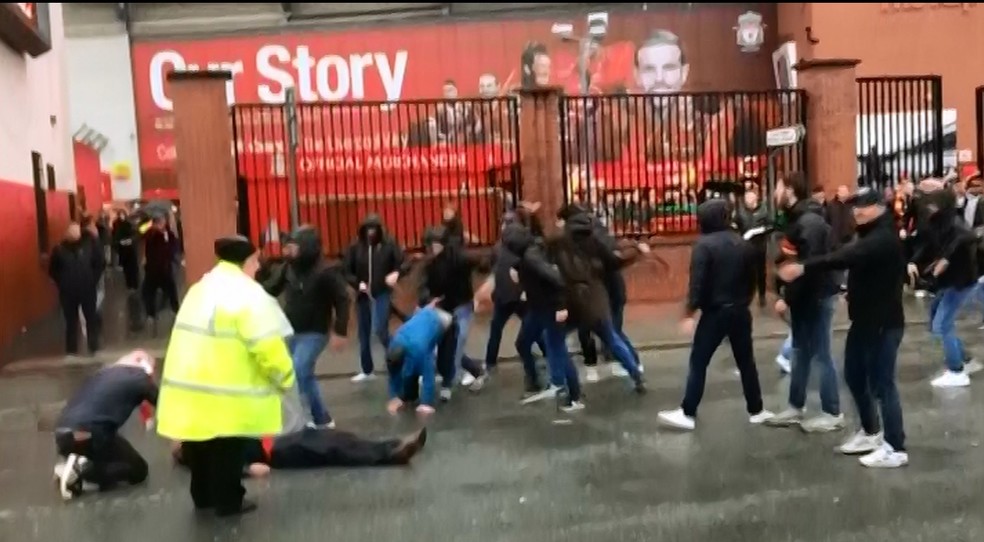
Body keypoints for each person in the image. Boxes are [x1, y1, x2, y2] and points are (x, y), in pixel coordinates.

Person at [156, 235, 296, 517]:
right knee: (228, 447)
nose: (258, 267)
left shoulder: (200, 289)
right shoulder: (247, 295)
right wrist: (284, 376)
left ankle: (203, 496)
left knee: (199, 442)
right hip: (227, 390)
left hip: (193, 385)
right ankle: (229, 500)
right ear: (246, 261)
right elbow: (266, 344)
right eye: (255, 261)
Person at [778, 187, 909, 468]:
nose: (856, 211)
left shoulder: (882, 237)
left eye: (863, 205)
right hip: (863, 320)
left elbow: (846, 256)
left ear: (880, 207)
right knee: (854, 375)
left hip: (883, 322)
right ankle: (871, 432)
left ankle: (895, 447)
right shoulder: (868, 233)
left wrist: (803, 267)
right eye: (853, 206)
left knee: (882, 384)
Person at [657, 199, 774, 431]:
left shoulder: (704, 246)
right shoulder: (742, 244)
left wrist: (689, 312)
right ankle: (757, 410)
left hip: (715, 313)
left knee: (699, 361)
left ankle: (688, 411)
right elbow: (753, 278)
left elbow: (697, 284)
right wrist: (744, 301)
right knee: (746, 362)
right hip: (740, 311)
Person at [767, 174, 843, 432]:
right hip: (805, 297)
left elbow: (808, 267)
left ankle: (832, 412)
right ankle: (795, 406)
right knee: (800, 351)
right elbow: (788, 260)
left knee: (822, 354)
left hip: (817, 296)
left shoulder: (809, 222)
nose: (774, 193)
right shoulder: (796, 219)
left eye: (778, 188)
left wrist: (787, 297)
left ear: (790, 191)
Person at [262, 226, 350, 428]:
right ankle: (321, 418)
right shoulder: (288, 268)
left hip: (315, 332)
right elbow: (270, 289)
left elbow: (342, 299)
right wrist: (259, 273)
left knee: (299, 369)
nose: (289, 252)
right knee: (300, 374)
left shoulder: (326, 272)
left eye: (294, 247)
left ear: (307, 248)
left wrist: (340, 330)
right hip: (290, 330)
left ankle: (303, 419)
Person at [550, 211, 646, 393]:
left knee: (555, 340)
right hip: (595, 298)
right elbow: (614, 261)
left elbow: (546, 261)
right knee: (611, 338)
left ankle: (562, 382)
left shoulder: (559, 243)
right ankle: (635, 374)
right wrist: (636, 251)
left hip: (571, 298)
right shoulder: (595, 242)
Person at [53, 350, 157, 500]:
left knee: (111, 444)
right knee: (138, 470)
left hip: (63, 434)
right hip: (92, 433)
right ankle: (81, 471)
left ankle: (76, 463)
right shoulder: (140, 379)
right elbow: (165, 404)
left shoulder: (101, 374)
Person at [502, 222, 583, 412]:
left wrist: (561, 306)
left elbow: (556, 279)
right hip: (538, 308)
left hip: (551, 308)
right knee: (525, 342)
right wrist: (518, 269)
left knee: (557, 348)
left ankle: (573, 395)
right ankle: (549, 383)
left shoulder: (531, 257)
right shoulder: (531, 251)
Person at [908, 186, 981, 388]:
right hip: (948, 281)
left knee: (942, 325)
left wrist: (946, 258)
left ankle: (956, 370)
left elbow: (967, 237)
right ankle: (965, 359)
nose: (929, 208)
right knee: (936, 321)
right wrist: (913, 261)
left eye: (933, 204)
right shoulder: (936, 222)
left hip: (961, 282)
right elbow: (927, 245)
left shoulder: (956, 224)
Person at [173, 427, 427, 474]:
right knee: (335, 450)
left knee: (337, 438)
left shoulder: (210, 439)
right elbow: (226, 472)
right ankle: (393, 455)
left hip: (280, 440)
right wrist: (250, 470)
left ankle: (393, 444)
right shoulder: (206, 458)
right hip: (279, 454)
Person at [416, 226, 486, 397]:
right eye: (431, 245)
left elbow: (480, 261)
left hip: (462, 304)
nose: (434, 248)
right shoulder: (429, 264)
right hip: (443, 307)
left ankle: (450, 382)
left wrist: (484, 266)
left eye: (437, 244)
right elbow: (423, 285)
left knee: (458, 340)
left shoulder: (458, 258)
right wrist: (426, 300)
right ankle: (475, 370)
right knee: (447, 346)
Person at [343, 214, 405, 383]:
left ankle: (398, 358)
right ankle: (367, 369)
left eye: (374, 229)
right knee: (363, 332)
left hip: (382, 291)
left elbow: (402, 263)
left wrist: (396, 273)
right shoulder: (355, 247)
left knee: (380, 329)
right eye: (368, 229)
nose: (371, 232)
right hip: (363, 294)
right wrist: (357, 283)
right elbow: (346, 270)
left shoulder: (389, 245)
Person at [385, 300, 455, 415]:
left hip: (444, 321)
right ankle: (410, 395)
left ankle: (447, 385)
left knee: (444, 362)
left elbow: (428, 374)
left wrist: (425, 403)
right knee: (409, 372)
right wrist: (394, 397)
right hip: (424, 321)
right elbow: (393, 373)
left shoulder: (419, 348)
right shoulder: (394, 344)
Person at [48, 222, 106, 356]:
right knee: (70, 321)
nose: (73, 234)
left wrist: (93, 279)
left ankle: (94, 347)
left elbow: (99, 263)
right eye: (71, 232)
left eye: (75, 232)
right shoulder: (59, 249)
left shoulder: (89, 245)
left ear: (79, 233)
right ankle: (71, 350)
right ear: (67, 234)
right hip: (68, 292)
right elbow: (53, 270)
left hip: (87, 288)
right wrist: (62, 282)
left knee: (90, 318)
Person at [142, 215, 181, 334]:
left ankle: (176, 310)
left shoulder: (169, 234)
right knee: (148, 292)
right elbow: (141, 233)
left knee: (171, 290)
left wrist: (174, 257)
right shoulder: (151, 234)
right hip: (152, 269)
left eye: (162, 222)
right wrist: (149, 225)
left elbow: (173, 247)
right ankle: (151, 314)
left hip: (165, 268)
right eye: (159, 222)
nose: (161, 224)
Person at [735, 188, 772, 307]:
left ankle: (762, 295)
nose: (747, 200)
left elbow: (770, 225)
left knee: (761, 272)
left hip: (759, 246)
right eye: (746, 197)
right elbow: (735, 224)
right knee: (746, 271)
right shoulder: (741, 210)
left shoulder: (763, 209)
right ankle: (747, 295)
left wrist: (757, 231)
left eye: (750, 197)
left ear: (756, 198)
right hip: (745, 246)